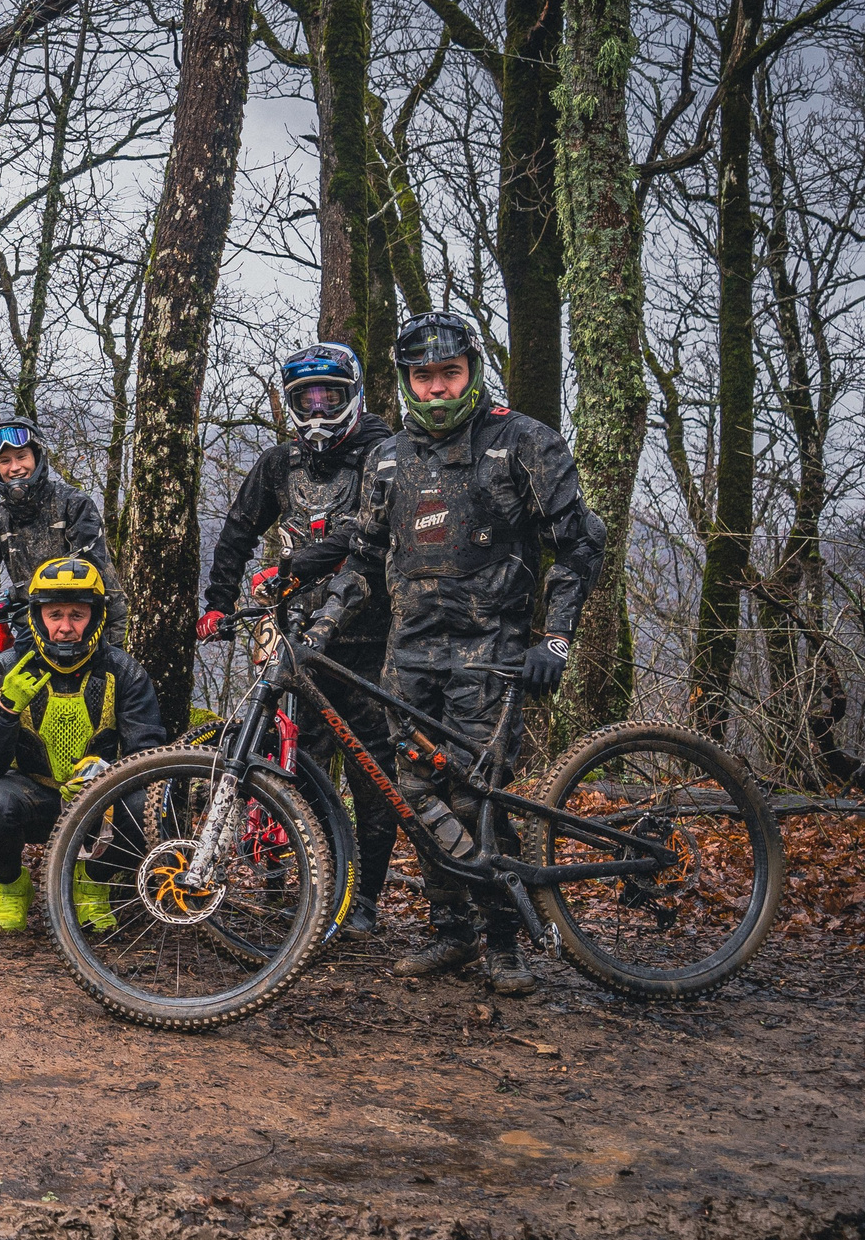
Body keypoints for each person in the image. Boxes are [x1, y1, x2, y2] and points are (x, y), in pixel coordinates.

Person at [298, 310, 605, 997]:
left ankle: (503, 942)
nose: (436, 389)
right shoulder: (387, 457)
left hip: (491, 654)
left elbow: (581, 541)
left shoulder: (523, 442)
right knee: (411, 795)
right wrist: (321, 626)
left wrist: (554, 637)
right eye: (422, 377)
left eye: (448, 374)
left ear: (470, 371)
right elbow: (365, 557)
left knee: (472, 799)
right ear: (406, 381)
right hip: (408, 658)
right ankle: (452, 930)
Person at [197, 342, 397, 938]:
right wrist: (217, 600)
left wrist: (292, 569)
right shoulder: (279, 465)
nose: (316, 412)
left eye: (328, 398)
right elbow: (236, 530)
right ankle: (299, 893)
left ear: (353, 395)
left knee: (372, 773)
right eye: (303, 400)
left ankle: (364, 901)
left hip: (371, 642)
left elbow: (372, 538)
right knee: (295, 767)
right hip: (294, 642)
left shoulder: (383, 456)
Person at [0, 558, 165, 933]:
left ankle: (93, 882)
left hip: (99, 798)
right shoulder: (6, 668)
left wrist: (105, 778)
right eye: (55, 614)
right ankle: (10, 886)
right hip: (30, 791)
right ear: (37, 618)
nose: (65, 628)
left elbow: (149, 758)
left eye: (77, 614)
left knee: (147, 805)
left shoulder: (124, 671)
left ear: (97, 617)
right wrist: (7, 710)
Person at [0, 416, 126, 629]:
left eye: (22, 457)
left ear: (37, 458)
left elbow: (80, 572)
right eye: (4, 461)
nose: (15, 467)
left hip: (92, 626)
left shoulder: (74, 504)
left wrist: (13, 594)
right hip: (34, 629)